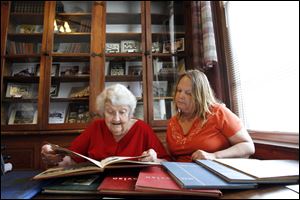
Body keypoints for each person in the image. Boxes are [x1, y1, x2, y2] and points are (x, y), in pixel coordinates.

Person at [41, 84, 170, 167]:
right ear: (103, 112)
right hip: (96, 188)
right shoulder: (96, 127)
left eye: (122, 112)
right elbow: (71, 160)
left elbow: (166, 162)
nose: (116, 118)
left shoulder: (142, 129)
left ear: (131, 113)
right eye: (110, 112)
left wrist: (155, 159)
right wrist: (54, 156)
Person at [166, 69, 255, 162]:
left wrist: (214, 156)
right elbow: (172, 158)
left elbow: (248, 146)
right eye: (179, 90)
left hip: (213, 170)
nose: (180, 96)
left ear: (201, 95)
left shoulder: (218, 112)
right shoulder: (173, 122)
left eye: (188, 93)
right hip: (180, 172)